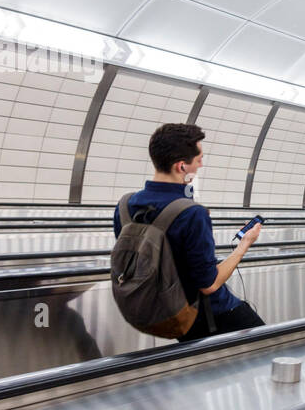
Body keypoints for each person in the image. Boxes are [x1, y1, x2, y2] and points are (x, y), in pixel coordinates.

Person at [112, 123, 264, 341]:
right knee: (272, 345)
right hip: (211, 315)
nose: (201, 164)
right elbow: (209, 284)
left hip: (171, 312)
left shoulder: (125, 206)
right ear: (181, 167)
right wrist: (244, 244)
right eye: (199, 158)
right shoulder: (191, 214)